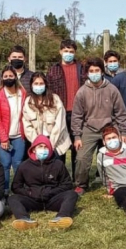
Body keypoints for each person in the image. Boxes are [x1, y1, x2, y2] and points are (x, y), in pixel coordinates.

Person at [71, 58, 126, 195]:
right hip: (89, 128)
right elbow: (77, 116)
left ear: (102, 72)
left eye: (97, 70)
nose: (94, 73)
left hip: (109, 127)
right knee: (81, 158)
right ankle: (81, 184)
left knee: (116, 155)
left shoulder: (112, 89)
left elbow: (121, 112)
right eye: (91, 71)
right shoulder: (82, 92)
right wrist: (77, 136)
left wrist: (123, 133)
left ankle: (115, 181)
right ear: (87, 73)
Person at [8, 135, 78, 230]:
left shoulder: (58, 164)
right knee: (13, 198)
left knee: (72, 194)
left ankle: (61, 218)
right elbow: (16, 187)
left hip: (52, 198)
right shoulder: (24, 166)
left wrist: (51, 192)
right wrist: (30, 193)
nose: (43, 149)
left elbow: (67, 184)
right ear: (33, 149)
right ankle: (23, 219)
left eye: (46, 147)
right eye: (40, 147)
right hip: (33, 199)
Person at [47, 39, 86, 180]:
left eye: (71, 51)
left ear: (75, 53)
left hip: (78, 113)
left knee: (77, 145)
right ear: (60, 51)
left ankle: (77, 176)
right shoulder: (53, 70)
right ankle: (61, 176)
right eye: (65, 51)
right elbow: (49, 91)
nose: (68, 54)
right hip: (60, 113)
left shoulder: (82, 68)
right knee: (60, 145)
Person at [22, 72, 71, 162]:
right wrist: (38, 143)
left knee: (56, 170)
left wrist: (50, 144)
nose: (38, 86)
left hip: (56, 143)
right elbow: (27, 125)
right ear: (31, 85)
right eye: (36, 83)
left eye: (41, 83)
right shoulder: (28, 102)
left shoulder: (55, 99)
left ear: (46, 85)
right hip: (37, 143)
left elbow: (60, 124)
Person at [0, 65, 27, 196]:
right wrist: (3, 139)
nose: (8, 78)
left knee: (18, 164)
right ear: (2, 78)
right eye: (6, 76)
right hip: (4, 136)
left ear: (15, 77)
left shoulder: (22, 93)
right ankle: (5, 191)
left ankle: (19, 191)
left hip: (19, 135)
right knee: (5, 164)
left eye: (10, 76)